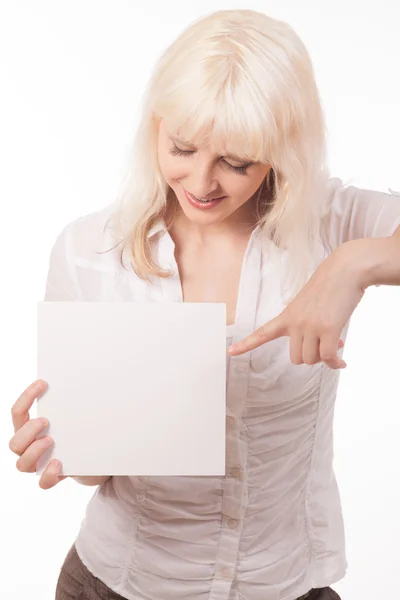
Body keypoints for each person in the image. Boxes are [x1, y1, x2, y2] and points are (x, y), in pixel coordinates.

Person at [8, 8, 400, 600]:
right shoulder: (90, 249)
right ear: (156, 126)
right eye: (183, 147)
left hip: (283, 583)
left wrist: (354, 264)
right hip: (116, 584)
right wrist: (64, 444)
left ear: (280, 151)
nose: (201, 182)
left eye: (237, 161)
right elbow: (94, 470)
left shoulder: (333, 222)